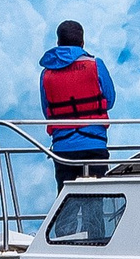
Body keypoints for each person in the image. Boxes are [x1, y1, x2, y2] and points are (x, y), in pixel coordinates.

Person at [39, 20, 117, 182]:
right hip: (94, 144)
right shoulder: (95, 65)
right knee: (97, 198)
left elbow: (47, 110)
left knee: (68, 201)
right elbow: (109, 100)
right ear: (82, 42)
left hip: (63, 148)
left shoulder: (46, 74)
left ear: (58, 42)